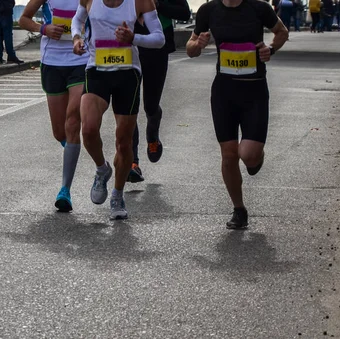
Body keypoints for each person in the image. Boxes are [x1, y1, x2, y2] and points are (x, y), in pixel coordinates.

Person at [186, 0, 288, 228]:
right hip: (224, 92)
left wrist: (270, 49)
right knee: (229, 154)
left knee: (248, 155)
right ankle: (239, 210)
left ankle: (257, 157)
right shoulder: (208, 11)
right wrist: (198, 44)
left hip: (255, 91)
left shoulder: (259, 8)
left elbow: (281, 32)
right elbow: (190, 48)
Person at [71, 0, 165, 220]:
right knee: (89, 130)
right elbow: (78, 19)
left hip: (127, 73)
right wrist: (77, 38)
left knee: (123, 142)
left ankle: (117, 194)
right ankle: (102, 168)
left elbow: (159, 38)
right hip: (97, 70)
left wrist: (133, 38)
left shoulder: (141, 2)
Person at [19, 0, 89, 212]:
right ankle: (72, 151)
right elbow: (23, 19)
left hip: (81, 61)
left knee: (73, 120)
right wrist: (44, 29)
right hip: (52, 63)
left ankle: (65, 190)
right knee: (60, 133)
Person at [127, 0, 191, 183]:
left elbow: (184, 13)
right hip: (129, 46)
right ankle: (132, 162)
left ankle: (153, 134)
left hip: (157, 49)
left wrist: (157, 4)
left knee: (150, 105)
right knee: (129, 105)